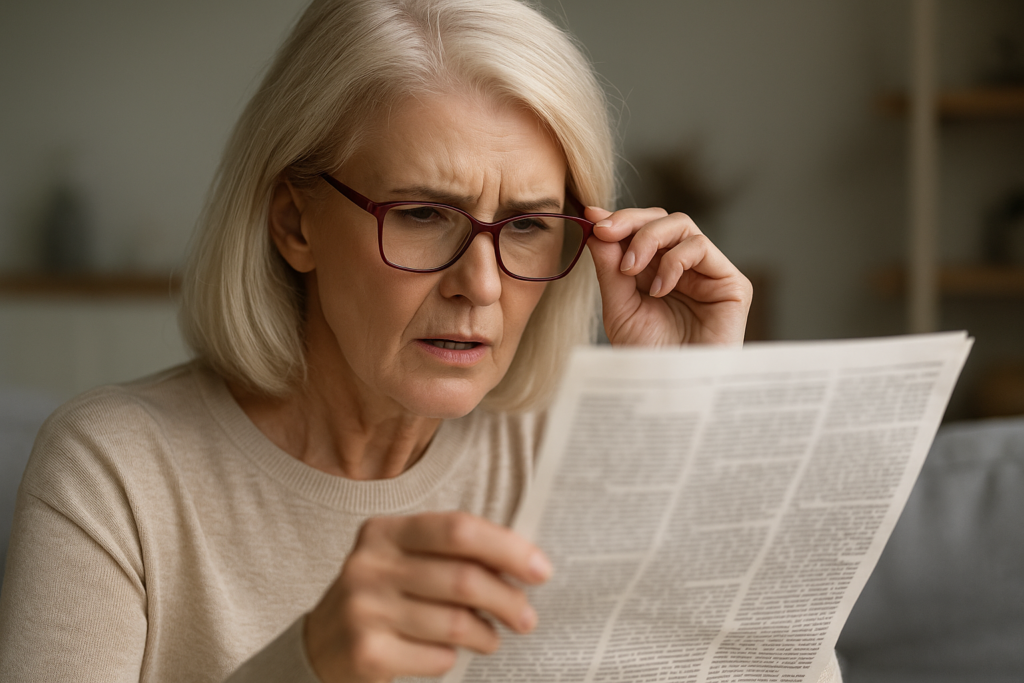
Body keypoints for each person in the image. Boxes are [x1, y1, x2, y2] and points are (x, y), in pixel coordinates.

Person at [0, 1, 836, 681]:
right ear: (295, 222)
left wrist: (696, 421)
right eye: (424, 214)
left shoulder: (573, 459)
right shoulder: (115, 469)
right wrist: (305, 668)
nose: (480, 283)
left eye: (529, 225)